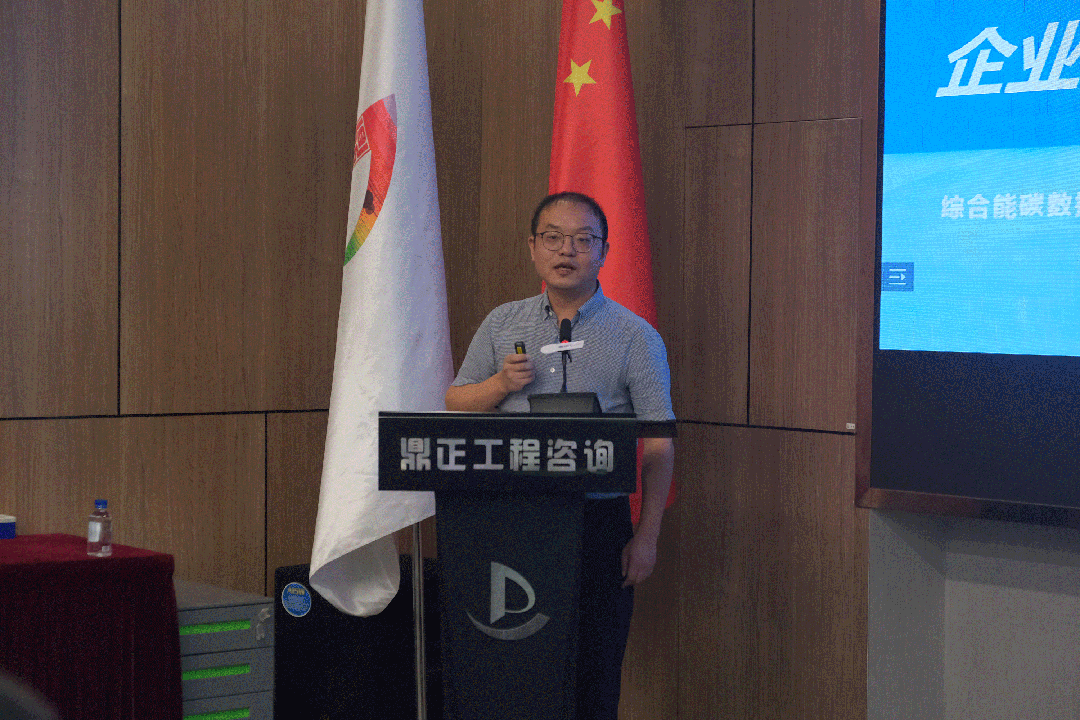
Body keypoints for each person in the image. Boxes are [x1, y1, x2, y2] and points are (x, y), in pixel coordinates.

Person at [445, 191, 675, 719]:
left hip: (598, 523)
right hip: (511, 522)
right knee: (516, 673)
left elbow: (659, 443)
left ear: (604, 251)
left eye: (582, 240)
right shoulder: (502, 323)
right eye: (552, 237)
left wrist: (647, 536)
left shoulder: (635, 337)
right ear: (532, 247)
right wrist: (500, 385)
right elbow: (456, 401)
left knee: (594, 672)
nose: (566, 250)